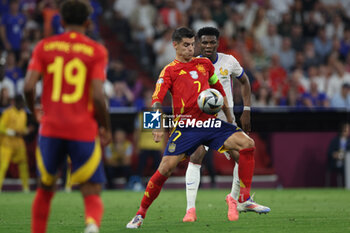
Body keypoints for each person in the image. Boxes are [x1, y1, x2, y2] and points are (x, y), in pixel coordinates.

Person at [126, 27, 256, 228]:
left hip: (210, 123)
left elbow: (218, 89)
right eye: (186, 45)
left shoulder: (204, 64)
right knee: (165, 169)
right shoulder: (169, 70)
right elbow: (156, 100)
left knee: (248, 144)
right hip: (185, 127)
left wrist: (230, 117)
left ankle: (243, 198)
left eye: (192, 45)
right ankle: (140, 213)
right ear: (175, 45)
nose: (190, 49)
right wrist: (157, 126)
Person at [23, 1, 111, 233]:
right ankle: (91, 225)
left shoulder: (44, 46)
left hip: (51, 128)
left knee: (45, 189)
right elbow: (99, 96)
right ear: (88, 23)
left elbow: (28, 86)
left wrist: (35, 111)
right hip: (83, 129)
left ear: (61, 22)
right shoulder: (96, 50)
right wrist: (106, 127)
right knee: (91, 189)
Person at [183, 27, 270, 223]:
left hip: (225, 121)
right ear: (198, 43)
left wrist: (246, 110)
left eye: (211, 42)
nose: (207, 46)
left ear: (217, 42)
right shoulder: (191, 65)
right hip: (202, 122)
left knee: (244, 156)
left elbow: (245, 82)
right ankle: (190, 210)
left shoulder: (228, 61)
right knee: (197, 156)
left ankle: (237, 199)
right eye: (204, 42)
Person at [0, 95, 30, 192]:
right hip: (7, 143)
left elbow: (22, 129)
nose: (22, 105)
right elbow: (1, 128)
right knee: (3, 166)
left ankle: (26, 188)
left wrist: (26, 131)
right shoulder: (8, 113)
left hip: (19, 143)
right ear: (16, 102)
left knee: (24, 165)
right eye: (21, 102)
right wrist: (13, 132)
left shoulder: (23, 114)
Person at [326, 122, 350, 187]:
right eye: (346, 129)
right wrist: (337, 155)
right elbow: (330, 153)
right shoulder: (335, 141)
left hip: (347, 163)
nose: (348, 131)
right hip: (336, 163)